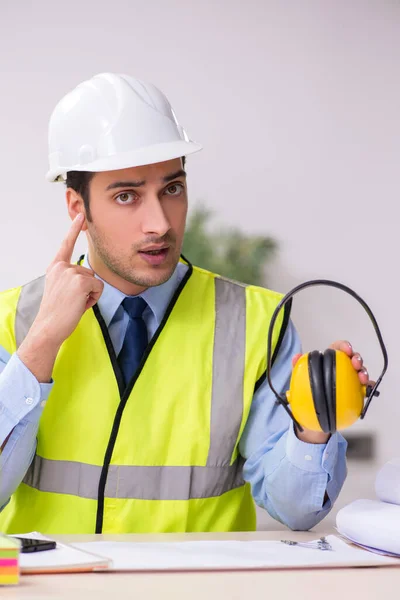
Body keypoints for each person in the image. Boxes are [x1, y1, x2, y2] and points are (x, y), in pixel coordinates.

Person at [0, 73, 371, 535]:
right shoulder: (12, 321)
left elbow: (296, 509)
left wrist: (315, 422)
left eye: (172, 189)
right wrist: (39, 347)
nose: (159, 223)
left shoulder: (256, 323)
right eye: (126, 196)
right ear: (77, 207)